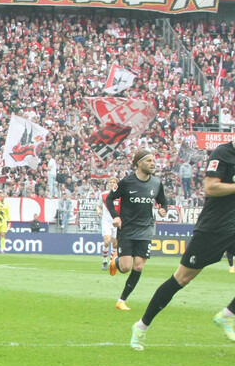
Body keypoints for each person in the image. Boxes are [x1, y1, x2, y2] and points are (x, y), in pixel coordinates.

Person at [130, 140, 235, 349]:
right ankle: (141, 326)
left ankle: (228, 314)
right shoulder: (223, 153)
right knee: (182, 278)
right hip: (214, 227)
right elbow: (210, 187)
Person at [104, 150, 168, 311]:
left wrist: (163, 210)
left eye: (153, 161)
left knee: (138, 266)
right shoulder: (126, 182)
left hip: (146, 229)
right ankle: (116, 261)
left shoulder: (156, 183)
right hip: (127, 229)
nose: (153, 164)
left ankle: (121, 301)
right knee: (125, 267)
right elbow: (110, 199)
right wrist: (116, 217)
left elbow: (163, 202)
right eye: (149, 161)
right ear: (139, 163)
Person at [97, 189, 119, 270]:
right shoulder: (103, 194)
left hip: (116, 221)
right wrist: (99, 210)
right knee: (107, 241)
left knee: (115, 244)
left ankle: (111, 262)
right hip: (106, 222)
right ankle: (105, 261)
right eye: (110, 183)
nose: (112, 184)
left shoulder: (120, 194)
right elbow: (98, 205)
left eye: (114, 183)